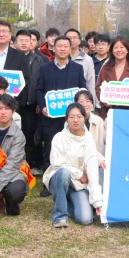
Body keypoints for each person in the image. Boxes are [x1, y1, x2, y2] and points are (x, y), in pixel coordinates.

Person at [44, 103, 104, 227]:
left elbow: (92, 167)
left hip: (78, 184)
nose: (75, 120)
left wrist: (97, 202)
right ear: (67, 119)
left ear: (84, 118)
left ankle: (66, 201)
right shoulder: (59, 137)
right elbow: (57, 164)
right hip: (59, 178)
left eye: (79, 116)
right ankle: (60, 216)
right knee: (64, 173)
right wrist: (79, 174)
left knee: (85, 219)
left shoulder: (88, 138)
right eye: (71, 117)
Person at [34, 36, 88, 176]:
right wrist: (43, 107)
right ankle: (49, 177)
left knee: (71, 146)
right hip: (50, 116)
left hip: (72, 117)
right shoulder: (45, 68)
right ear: (54, 48)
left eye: (66, 46)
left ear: (70, 49)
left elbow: (83, 89)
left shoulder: (77, 68)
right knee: (50, 145)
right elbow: (39, 90)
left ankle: (72, 175)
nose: (63, 49)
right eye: (59, 46)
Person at [17, 28, 46, 169]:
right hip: (13, 104)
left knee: (29, 134)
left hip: (31, 104)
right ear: (15, 42)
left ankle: (30, 164)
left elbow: (42, 82)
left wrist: (39, 102)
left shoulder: (39, 60)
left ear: (32, 43)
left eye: (27, 41)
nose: (24, 43)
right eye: (21, 40)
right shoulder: (12, 58)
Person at [95, 36, 129, 115]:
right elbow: (98, 87)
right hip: (109, 112)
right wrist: (104, 101)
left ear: (127, 50)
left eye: (122, 47)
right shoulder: (106, 67)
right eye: (116, 48)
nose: (119, 50)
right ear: (112, 50)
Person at [65, 28, 97, 98]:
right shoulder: (61, 58)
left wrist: (92, 100)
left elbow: (90, 83)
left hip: (80, 98)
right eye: (69, 38)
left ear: (79, 41)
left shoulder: (87, 59)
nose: (72, 40)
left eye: (74, 38)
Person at [74, 89, 106, 154]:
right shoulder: (71, 122)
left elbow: (107, 139)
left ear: (92, 104)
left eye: (88, 101)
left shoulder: (99, 121)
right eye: (81, 102)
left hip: (97, 159)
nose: (85, 104)